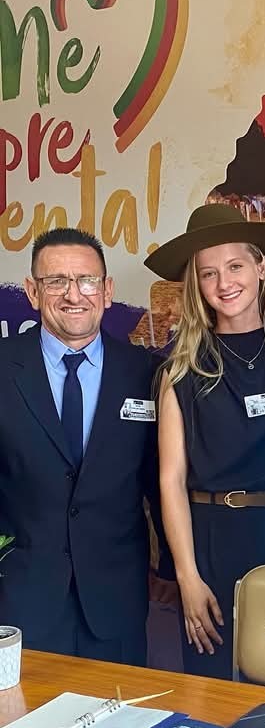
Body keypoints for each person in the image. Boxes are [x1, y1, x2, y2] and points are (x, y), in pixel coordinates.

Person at [0, 228, 171, 666]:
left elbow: (160, 480)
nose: (73, 294)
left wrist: (171, 570)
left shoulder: (146, 373)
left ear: (107, 290)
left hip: (117, 603)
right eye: (56, 281)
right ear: (33, 293)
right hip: (20, 602)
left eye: (87, 280)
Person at [148, 204, 265, 679]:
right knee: (212, 689)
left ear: (260, 267)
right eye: (208, 273)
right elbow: (170, 481)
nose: (224, 283)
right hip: (210, 539)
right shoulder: (181, 369)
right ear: (196, 284)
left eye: (235, 266)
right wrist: (187, 577)